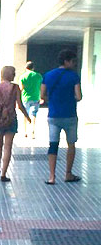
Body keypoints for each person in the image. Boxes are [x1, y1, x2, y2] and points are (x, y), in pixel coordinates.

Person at [41, 49, 82, 185]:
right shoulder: (74, 76)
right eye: (73, 61)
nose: (74, 63)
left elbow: (42, 95)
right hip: (70, 115)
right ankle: (68, 174)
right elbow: (79, 96)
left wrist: (53, 100)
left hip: (53, 115)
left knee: (53, 144)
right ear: (67, 61)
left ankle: (52, 176)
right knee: (71, 144)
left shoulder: (47, 75)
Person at [0, 66, 30, 182]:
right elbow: (20, 105)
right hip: (11, 120)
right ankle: (4, 173)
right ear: (10, 75)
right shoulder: (15, 88)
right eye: (13, 73)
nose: (14, 75)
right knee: (8, 146)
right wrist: (27, 116)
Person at [19, 61, 43, 139]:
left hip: (25, 98)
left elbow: (21, 89)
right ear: (33, 68)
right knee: (33, 115)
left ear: (26, 68)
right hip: (36, 97)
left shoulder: (22, 76)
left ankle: (25, 131)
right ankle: (32, 131)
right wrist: (41, 96)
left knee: (25, 114)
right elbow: (41, 86)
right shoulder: (38, 76)